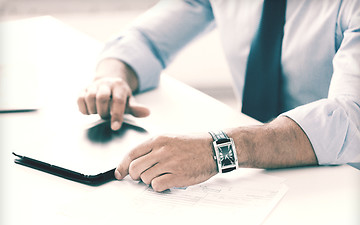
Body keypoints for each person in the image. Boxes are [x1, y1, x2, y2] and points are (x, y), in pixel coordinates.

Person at [77, 0, 360, 192]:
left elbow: (351, 116)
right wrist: (112, 77)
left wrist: (218, 150)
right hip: (257, 179)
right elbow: (145, 39)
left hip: (346, 182)